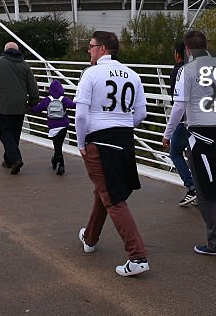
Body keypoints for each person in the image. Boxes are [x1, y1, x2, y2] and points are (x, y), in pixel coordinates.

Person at [162, 30, 216, 258]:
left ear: (188, 49)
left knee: (204, 189)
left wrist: (168, 133)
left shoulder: (187, 70)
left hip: (202, 135)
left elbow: (179, 106)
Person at [75, 31, 150, 278]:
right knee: (103, 190)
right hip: (125, 139)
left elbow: (82, 114)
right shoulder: (133, 74)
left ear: (103, 49)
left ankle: (137, 256)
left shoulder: (92, 73)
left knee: (113, 198)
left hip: (100, 141)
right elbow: (140, 113)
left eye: (91, 46)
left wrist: (81, 141)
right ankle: (90, 237)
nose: (89, 51)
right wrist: (122, 125)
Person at [0, 41, 39, 174]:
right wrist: (33, 102)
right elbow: (33, 87)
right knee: (15, 135)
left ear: (5, 50)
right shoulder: (25, 65)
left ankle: (16, 159)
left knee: (6, 134)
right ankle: (8, 160)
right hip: (20, 107)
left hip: (3, 106)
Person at [166, 40, 196, 205]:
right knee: (193, 155)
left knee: (175, 153)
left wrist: (167, 133)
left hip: (184, 120)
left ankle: (192, 187)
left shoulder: (178, 71)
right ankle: (200, 189)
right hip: (202, 120)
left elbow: (177, 102)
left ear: (177, 54)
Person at [29, 79, 75, 175]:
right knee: (59, 145)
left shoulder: (47, 100)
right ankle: (55, 160)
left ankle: (60, 164)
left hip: (53, 127)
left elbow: (37, 109)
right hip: (64, 126)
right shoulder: (64, 99)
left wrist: (28, 107)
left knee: (57, 145)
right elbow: (73, 105)